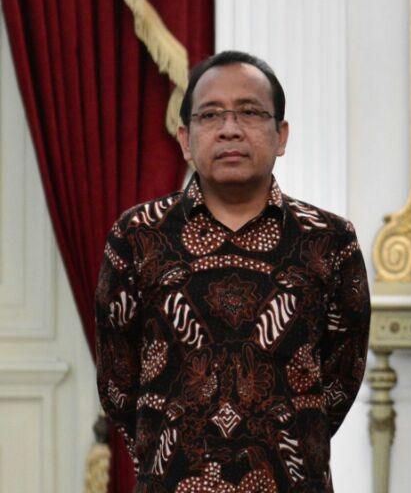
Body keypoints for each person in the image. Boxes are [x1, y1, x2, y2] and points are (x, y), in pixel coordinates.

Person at [94, 51, 370, 492]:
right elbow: (116, 379)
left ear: (281, 135)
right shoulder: (137, 235)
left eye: (249, 112)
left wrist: (288, 440)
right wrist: (164, 447)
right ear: (185, 138)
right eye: (210, 115)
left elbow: (342, 374)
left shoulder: (329, 239)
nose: (230, 128)